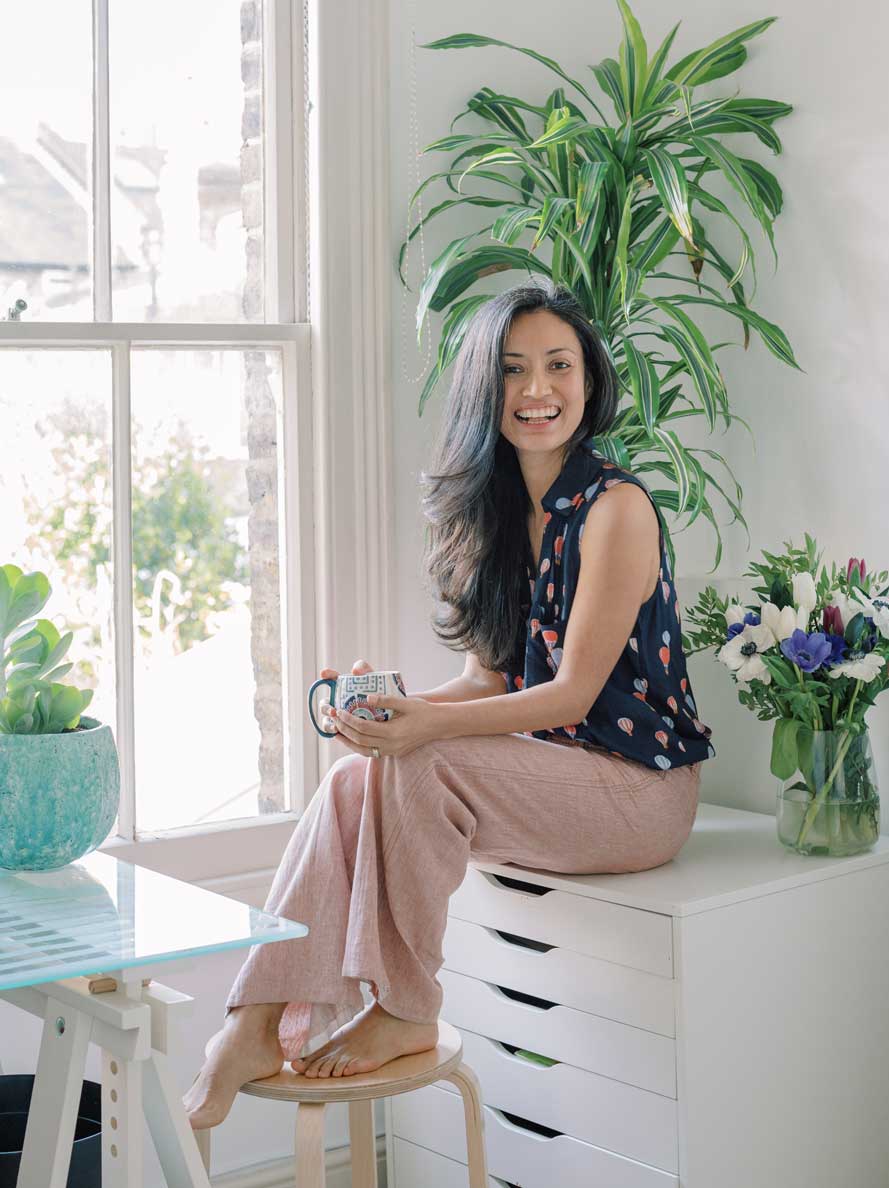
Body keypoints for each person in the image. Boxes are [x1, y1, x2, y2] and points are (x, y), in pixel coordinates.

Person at [183, 280, 714, 1129]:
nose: (538, 390)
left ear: (589, 380)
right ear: (484, 387)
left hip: (639, 791)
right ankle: (253, 1021)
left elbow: (571, 693)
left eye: (558, 366)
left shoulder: (617, 508)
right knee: (354, 781)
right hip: (557, 775)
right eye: (514, 370)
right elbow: (491, 683)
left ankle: (407, 1003)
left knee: (419, 756)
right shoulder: (495, 513)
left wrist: (424, 732)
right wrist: (393, 710)